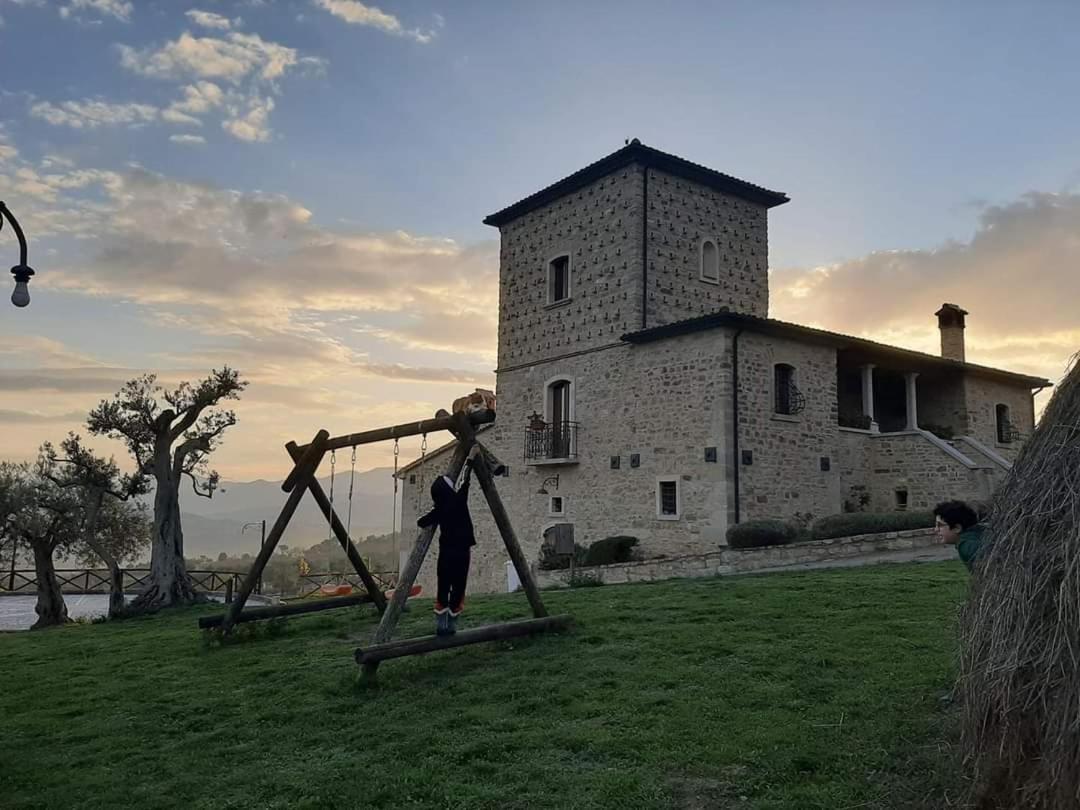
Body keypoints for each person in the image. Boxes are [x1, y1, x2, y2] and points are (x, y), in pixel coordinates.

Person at [417, 447, 478, 636]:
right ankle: (452, 624)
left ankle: (441, 624)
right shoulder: (459, 500)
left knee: (444, 584)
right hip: (462, 551)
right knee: (459, 586)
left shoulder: (440, 509)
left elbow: (422, 522)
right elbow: (464, 482)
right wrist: (470, 462)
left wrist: (430, 513)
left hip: (446, 552)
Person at [933, 500, 985, 571]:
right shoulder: (975, 534)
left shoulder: (966, 545)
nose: (936, 529)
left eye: (940, 525)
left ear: (957, 528)